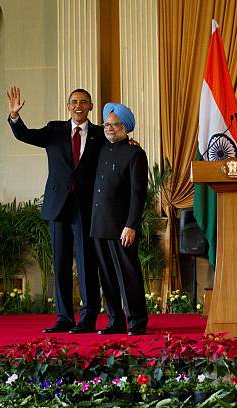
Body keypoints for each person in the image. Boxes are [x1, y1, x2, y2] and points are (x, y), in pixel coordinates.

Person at [7, 86, 103, 334]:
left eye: (84, 101)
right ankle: (64, 318)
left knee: (86, 264)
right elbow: (26, 135)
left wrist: (129, 141)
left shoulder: (100, 135)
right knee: (60, 263)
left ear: (91, 107)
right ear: (68, 106)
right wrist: (15, 117)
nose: (78, 105)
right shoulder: (55, 130)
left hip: (85, 207)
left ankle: (88, 318)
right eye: (74, 101)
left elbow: (117, 149)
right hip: (58, 206)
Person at [91, 102, 149, 336]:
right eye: (107, 124)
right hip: (99, 223)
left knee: (128, 276)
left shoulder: (136, 153)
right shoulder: (101, 148)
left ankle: (136, 322)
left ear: (126, 128)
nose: (109, 128)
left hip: (122, 226)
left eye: (115, 124)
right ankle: (115, 321)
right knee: (107, 278)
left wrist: (131, 225)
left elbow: (138, 194)